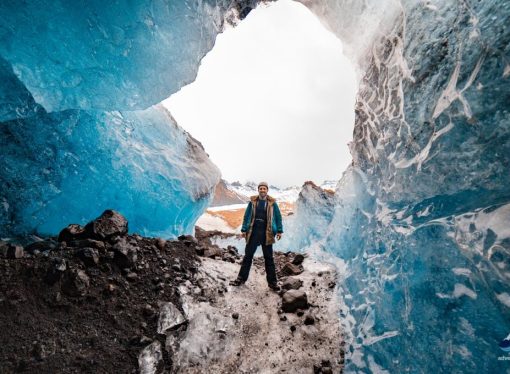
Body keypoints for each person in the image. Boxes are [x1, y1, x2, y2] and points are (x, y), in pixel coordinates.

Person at [229, 181, 283, 291]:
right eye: (261, 188)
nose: (262, 190)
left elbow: (278, 217)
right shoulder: (253, 202)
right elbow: (247, 215)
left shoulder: (272, 203)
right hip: (253, 232)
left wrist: (279, 230)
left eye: (264, 188)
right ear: (258, 190)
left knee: (269, 258)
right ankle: (241, 278)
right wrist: (244, 229)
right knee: (248, 256)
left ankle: (273, 283)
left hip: (266, 233)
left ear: (267, 190)